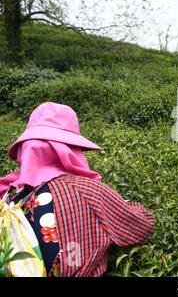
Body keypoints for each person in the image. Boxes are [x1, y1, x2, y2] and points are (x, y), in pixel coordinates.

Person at [0, 102, 155, 276]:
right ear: (69, 149)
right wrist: (126, 204)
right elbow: (142, 227)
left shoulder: (8, 192)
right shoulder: (86, 190)